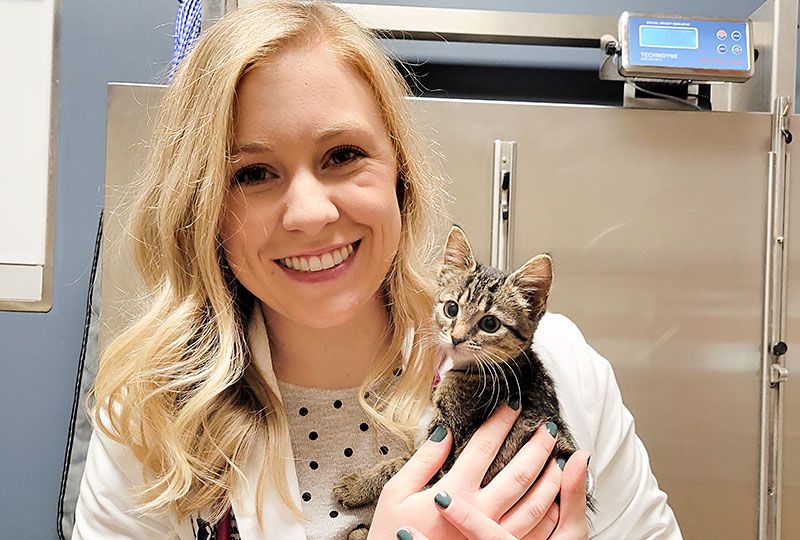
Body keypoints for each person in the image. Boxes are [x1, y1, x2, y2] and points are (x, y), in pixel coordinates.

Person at [73, 2, 683, 539]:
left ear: (399, 173)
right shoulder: (147, 423)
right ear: (201, 207)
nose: (310, 214)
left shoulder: (565, 371)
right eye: (253, 173)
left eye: (343, 155)